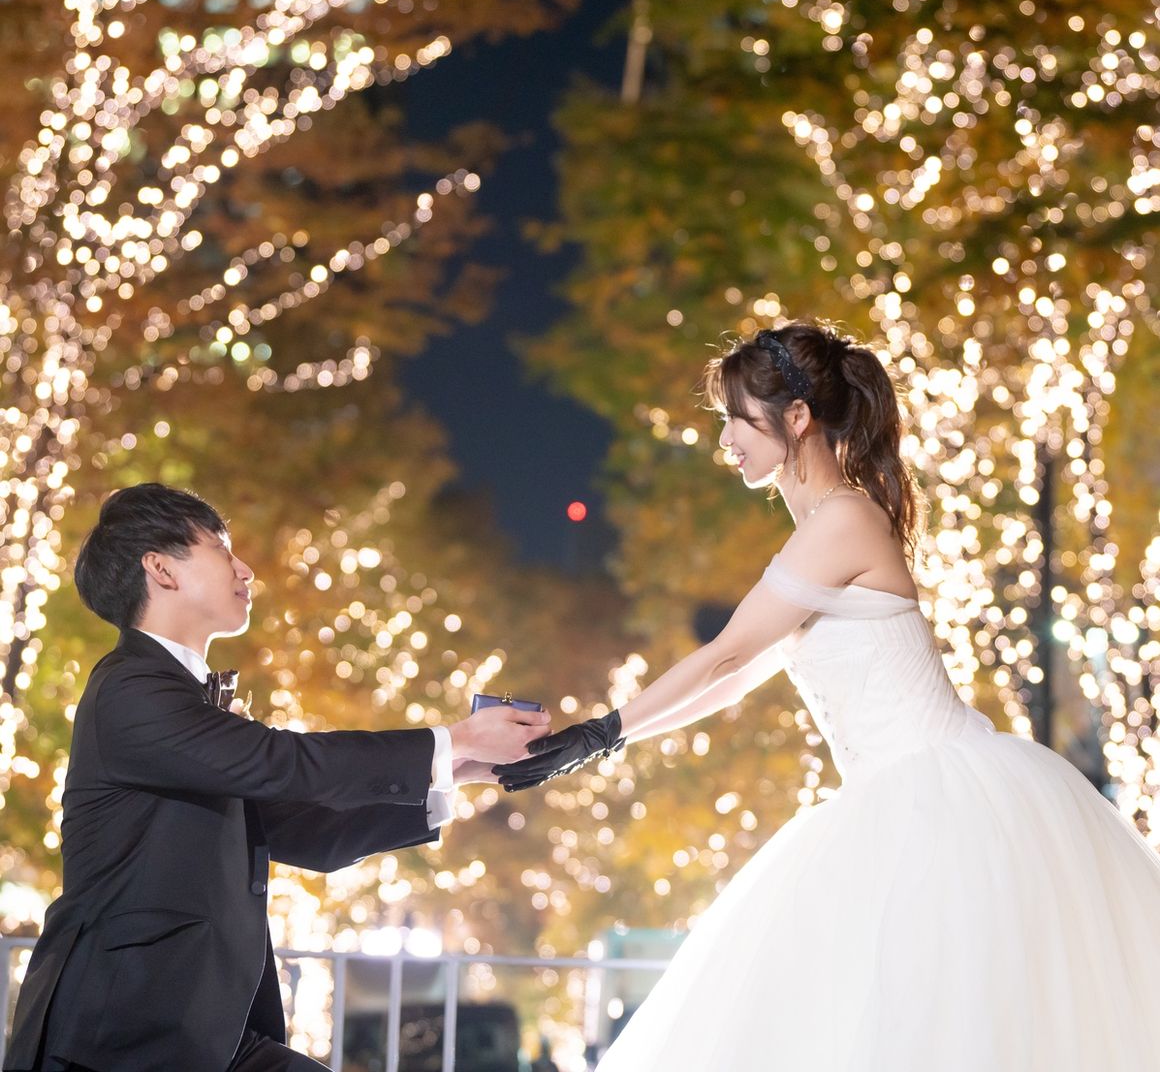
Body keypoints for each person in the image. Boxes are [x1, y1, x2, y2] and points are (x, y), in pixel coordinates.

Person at [498, 321, 1160, 1070]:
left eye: (740, 420)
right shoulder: (821, 527)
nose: (726, 440)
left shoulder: (842, 519)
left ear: (797, 418)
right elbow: (738, 674)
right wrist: (604, 739)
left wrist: (599, 733)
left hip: (934, 801)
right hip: (901, 796)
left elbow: (727, 654)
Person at [5, 483, 549, 1072]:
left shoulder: (179, 699)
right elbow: (282, 762)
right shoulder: (128, 688)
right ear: (161, 569)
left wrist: (456, 772)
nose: (245, 569)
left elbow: (308, 834)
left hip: (200, 1032)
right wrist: (452, 739)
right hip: (118, 1035)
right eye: (221, 548)